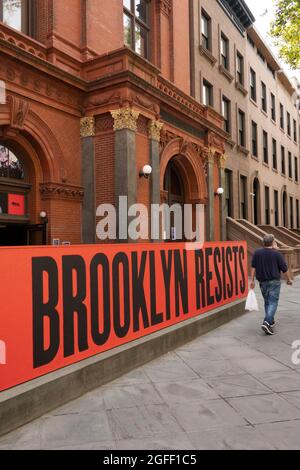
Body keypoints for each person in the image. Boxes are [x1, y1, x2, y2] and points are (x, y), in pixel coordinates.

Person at [250, 234, 293, 335]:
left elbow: (253, 267)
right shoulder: (276, 254)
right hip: (274, 282)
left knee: (267, 302)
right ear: (273, 242)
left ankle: (271, 321)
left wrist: (251, 281)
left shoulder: (257, 253)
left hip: (262, 282)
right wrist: (289, 279)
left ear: (263, 242)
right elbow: (284, 269)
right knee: (273, 302)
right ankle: (266, 322)